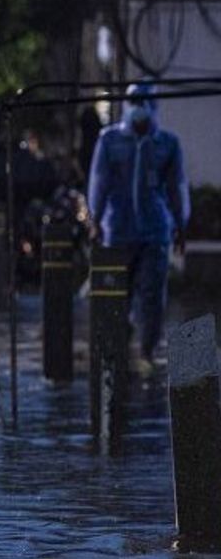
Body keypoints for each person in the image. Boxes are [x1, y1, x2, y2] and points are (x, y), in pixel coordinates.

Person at [88, 82, 190, 379]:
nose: (139, 107)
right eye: (134, 101)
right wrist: (95, 220)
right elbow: (99, 182)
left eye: (144, 101)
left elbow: (176, 186)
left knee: (152, 294)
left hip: (155, 231)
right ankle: (118, 348)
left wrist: (181, 225)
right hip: (117, 230)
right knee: (118, 294)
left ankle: (147, 350)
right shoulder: (110, 141)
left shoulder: (166, 143)